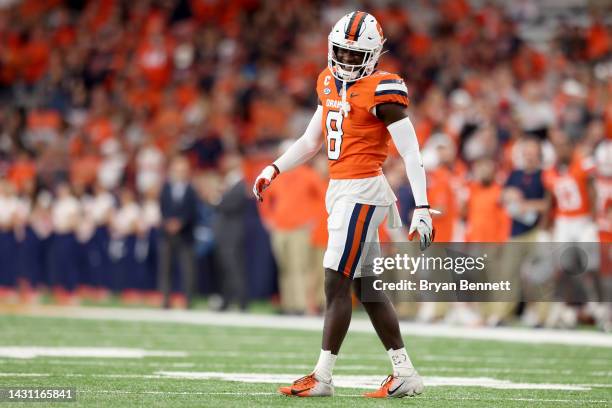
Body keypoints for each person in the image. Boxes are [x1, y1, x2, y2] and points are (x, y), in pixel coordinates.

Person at [253, 11, 435, 399]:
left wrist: (421, 206)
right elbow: (310, 140)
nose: (348, 62)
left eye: (357, 55)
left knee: (335, 280)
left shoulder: (384, 89)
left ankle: (322, 376)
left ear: (374, 54)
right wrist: (274, 167)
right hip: (341, 189)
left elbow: (411, 152)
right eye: (343, 53)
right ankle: (405, 373)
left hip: (363, 190)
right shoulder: (326, 80)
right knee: (367, 287)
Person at [159, 156, 198, 309]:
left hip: (185, 235)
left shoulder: (191, 189)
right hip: (167, 235)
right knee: (165, 269)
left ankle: (188, 300)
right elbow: (162, 207)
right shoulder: (166, 188)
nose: (180, 173)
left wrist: (180, 223)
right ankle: (165, 300)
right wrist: (168, 222)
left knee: (187, 270)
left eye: (182, 170)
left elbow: (192, 211)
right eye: (177, 170)